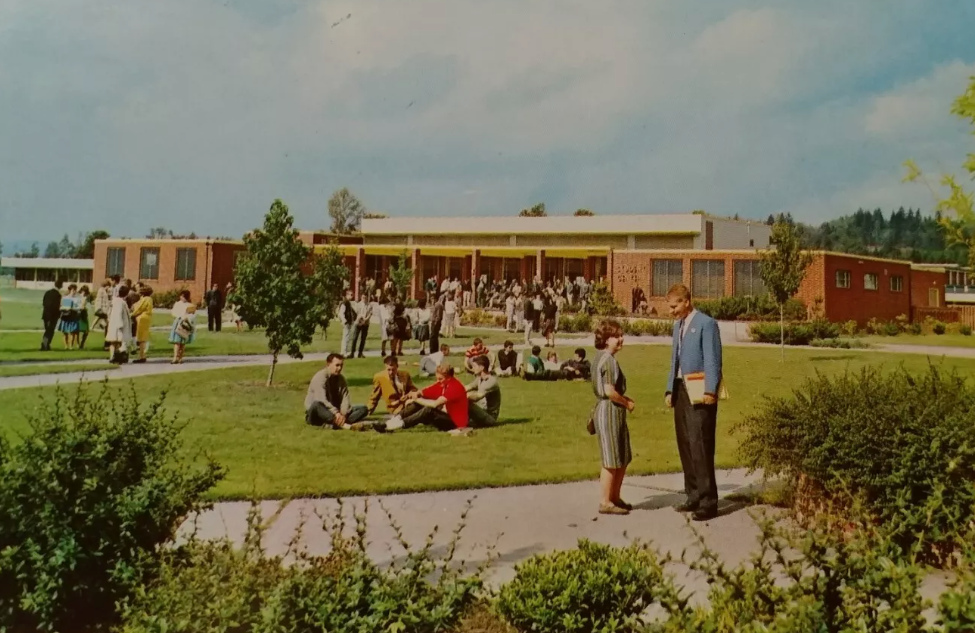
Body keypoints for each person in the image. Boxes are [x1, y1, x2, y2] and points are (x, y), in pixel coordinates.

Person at [665, 283, 723, 522]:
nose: (672, 311)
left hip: (700, 390)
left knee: (701, 443)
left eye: (675, 305)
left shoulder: (706, 324)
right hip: (681, 390)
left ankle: (709, 501)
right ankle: (693, 494)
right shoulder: (677, 326)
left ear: (687, 301)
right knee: (686, 443)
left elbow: (712, 359)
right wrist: (670, 389)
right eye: (670, 307)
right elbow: (674, 361)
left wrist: (711, 390)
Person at [591, 319, 636, 515]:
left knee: (622, 456)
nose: (621, 339)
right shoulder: (608, 361)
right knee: (611, 458)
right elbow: (609, 391)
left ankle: (615, 496)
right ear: (606, 339)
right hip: (609, 410)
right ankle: (605, 501)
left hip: (612, 411)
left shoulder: (601, 357)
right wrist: (627, 402)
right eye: (616, 336)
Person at [393, 362, 470, 434]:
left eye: (440, 379)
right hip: (448, 416)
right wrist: (416, 394)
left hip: (456, 423)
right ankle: (396, 419)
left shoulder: (454, 387)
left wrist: (415, 399)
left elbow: (435, 404)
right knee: (420, 403)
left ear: (449, 377)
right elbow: (428, 391)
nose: (438, 381)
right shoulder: (444, 384)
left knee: (428, 409)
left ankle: (400, 423)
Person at [304, 353, 371, 430]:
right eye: (337, 365)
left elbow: (345, 398)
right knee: (317, 404)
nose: (339, 368)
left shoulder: (341, 379)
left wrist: (343, 414)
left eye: (341, 365)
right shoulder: (320, 378)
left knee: (363, 408)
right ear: (328, 364)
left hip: (335, 411)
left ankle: (336, 423)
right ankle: (345, 425)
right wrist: (336, 413)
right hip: (319, 413)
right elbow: (321, 400)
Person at [466, 355, 501, 427]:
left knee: (466, 401)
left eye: (474, 366)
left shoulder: (491, 381)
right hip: (482, 411)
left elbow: (477, 397)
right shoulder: (479, 379)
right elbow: (467, 387)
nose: (472, 368)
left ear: (482, 367)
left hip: (490, 417)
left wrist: (463, 397)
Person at [105, 285, 132, 364]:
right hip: (119, 325)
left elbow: (109, 313)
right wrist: (120, 325)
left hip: (113, 324)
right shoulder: (120, 302)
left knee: (114, 342)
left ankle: (114, 356)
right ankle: (115, 356)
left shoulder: (115, 301)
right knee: (117, 342)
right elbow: (119, 313)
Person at [168, 290, 196, 364]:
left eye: (183, 296)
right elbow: (173, 313)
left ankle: (180, 358)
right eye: (181, 296)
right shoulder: (177, 304)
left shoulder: (190, 305)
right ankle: (175, 357)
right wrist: (179, 316)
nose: (181, 297)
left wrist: (187, 317)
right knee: (177, 342)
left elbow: (193, 316)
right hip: (178, 322)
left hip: (186, 323)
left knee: (183, 342)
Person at [130, 285, 154, 363]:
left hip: (142, 318)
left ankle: (142, 356)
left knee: (141, 338)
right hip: (147, 318)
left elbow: (139, 309)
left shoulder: (145, 299)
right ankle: (142, 355)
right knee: (143, 337)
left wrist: (131, 314)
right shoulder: (149, 299)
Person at [40, 280, 63, 351]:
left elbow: (43, 303)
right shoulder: (57, 295)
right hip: (53, 315)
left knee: (47, 330)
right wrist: (59, 314)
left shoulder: (47, 292)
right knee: (50, 330)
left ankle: (45, 344)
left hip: (45, 314)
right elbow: (56, 306)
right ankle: (45, 345)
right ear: (60, 286)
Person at [58, 284, 81, 349]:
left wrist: (73, 309)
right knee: (64, 332)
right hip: (65, 316)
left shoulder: (77, 299)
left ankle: (71, 346)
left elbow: (79, 307)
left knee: (72, 332)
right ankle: (65, 346)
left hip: (73, 315)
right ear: (70, 290)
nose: (74, 291)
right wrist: (64, 308)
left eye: (75, 290)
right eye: (73, 290)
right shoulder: (65, 298)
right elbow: (60, 306)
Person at [338, 290, 356, 357]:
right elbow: (341, 313)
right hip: (346, 322)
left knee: (346, 337)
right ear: (347, 295)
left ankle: (344, 351)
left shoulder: (348, 303)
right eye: (350, 295)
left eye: (352, 295)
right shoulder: (344, 303)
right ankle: (343, 352)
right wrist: (344, 321)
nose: (352, 296)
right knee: (346, 337)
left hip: (348, 322)